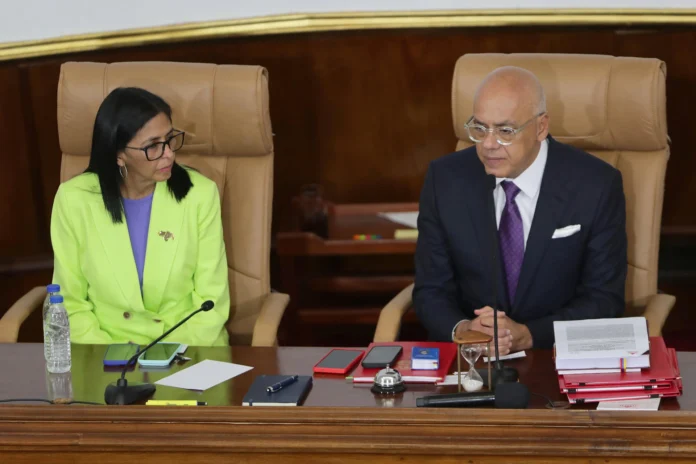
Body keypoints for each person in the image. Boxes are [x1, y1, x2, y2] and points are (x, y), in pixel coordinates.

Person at [413, 66, 627, 353]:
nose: (489, 144)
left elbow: (604, 298)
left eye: (505, 131)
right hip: (472, 358)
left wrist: (529, 335)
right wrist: (464, 330)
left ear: (541, 127)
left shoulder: (596, 184)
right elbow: (430, 289)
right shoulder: (445, 180)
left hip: (554, 355)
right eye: (480, 128)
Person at [50, 87, 230, 346]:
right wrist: (112, 359)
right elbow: (70, 303)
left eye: (169, 139)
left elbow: (211, 301)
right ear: (119, 154)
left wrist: (164, 357)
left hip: (189, 349)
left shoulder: (199, 194)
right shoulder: (74, 200)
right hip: (105, 353)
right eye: (153, 146)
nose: (169, 153)